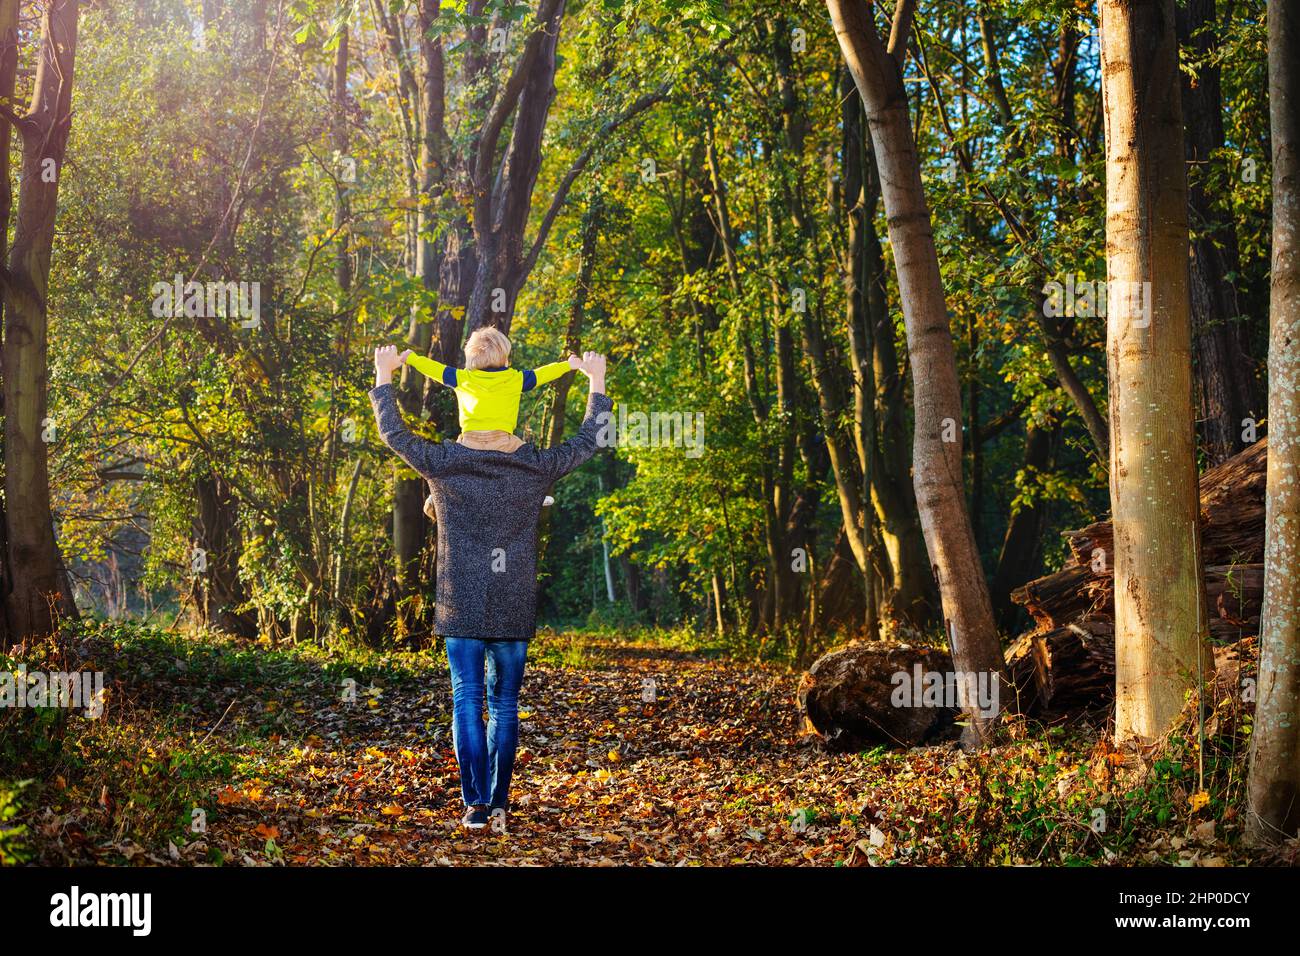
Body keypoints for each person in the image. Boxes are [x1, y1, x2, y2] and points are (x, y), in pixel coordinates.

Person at [370, 344, 611, 831]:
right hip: (512, 600)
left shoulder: (442, 462)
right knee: (503, 704)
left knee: (466, 698)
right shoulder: (534, 466)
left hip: (460, 601)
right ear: (511, 400)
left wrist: (383, 376)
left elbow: (392, 432)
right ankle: (498, 803)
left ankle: (475, 806)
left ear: (464, 397)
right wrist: (596, 382)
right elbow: (589, 441)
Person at [400, 327, 576, 519]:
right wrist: (568, 365)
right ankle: (533, 492)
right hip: (504, 441)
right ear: (505, 358)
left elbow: (434, 369)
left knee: (455, 469)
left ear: (470, 360)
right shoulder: (515, 378)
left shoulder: (462, 378)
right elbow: (543, 373)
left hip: (468, 442)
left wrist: (413, 359)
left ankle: (437, 497)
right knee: (528, 461)